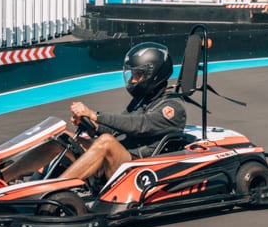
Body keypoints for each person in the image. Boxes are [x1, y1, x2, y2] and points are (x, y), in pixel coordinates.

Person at [61, 42, 187, 182]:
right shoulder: (142, 101)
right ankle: (36, 185)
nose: (133, 80)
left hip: (137, 167)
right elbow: (117, 128)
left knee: (106, 142)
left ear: (155, 74)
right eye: (132, 74)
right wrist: (92, 125)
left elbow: (139, 126)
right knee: (64, 137)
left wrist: (94, 115)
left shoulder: (173, 108)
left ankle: (54, 188)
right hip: (121, 157)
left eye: (138, 75)